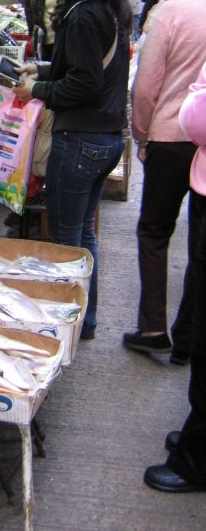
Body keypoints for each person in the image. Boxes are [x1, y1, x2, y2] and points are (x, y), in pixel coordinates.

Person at [13, 0, 132, 339]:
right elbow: (91, 68)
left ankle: (63, 325)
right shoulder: (110, 4)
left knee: (65, 240)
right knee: (83, 235)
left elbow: (84, 84)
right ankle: (86, 321)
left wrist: (36, 89)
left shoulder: (83, 14)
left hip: (80, 141)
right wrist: (44, 70)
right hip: (107, 138)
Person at [124, 0, 206, 363]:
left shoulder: (174, 13)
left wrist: (141, 135)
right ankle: (190, 336)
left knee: (155, 231)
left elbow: (146, 88)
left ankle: (154, 326)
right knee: (200, 247)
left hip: (171, 137)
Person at [144, 59, 206, 493]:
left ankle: (197, 458)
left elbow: (197, 117)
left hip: (178, 146)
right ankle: (196, 437)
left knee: (154, 232)